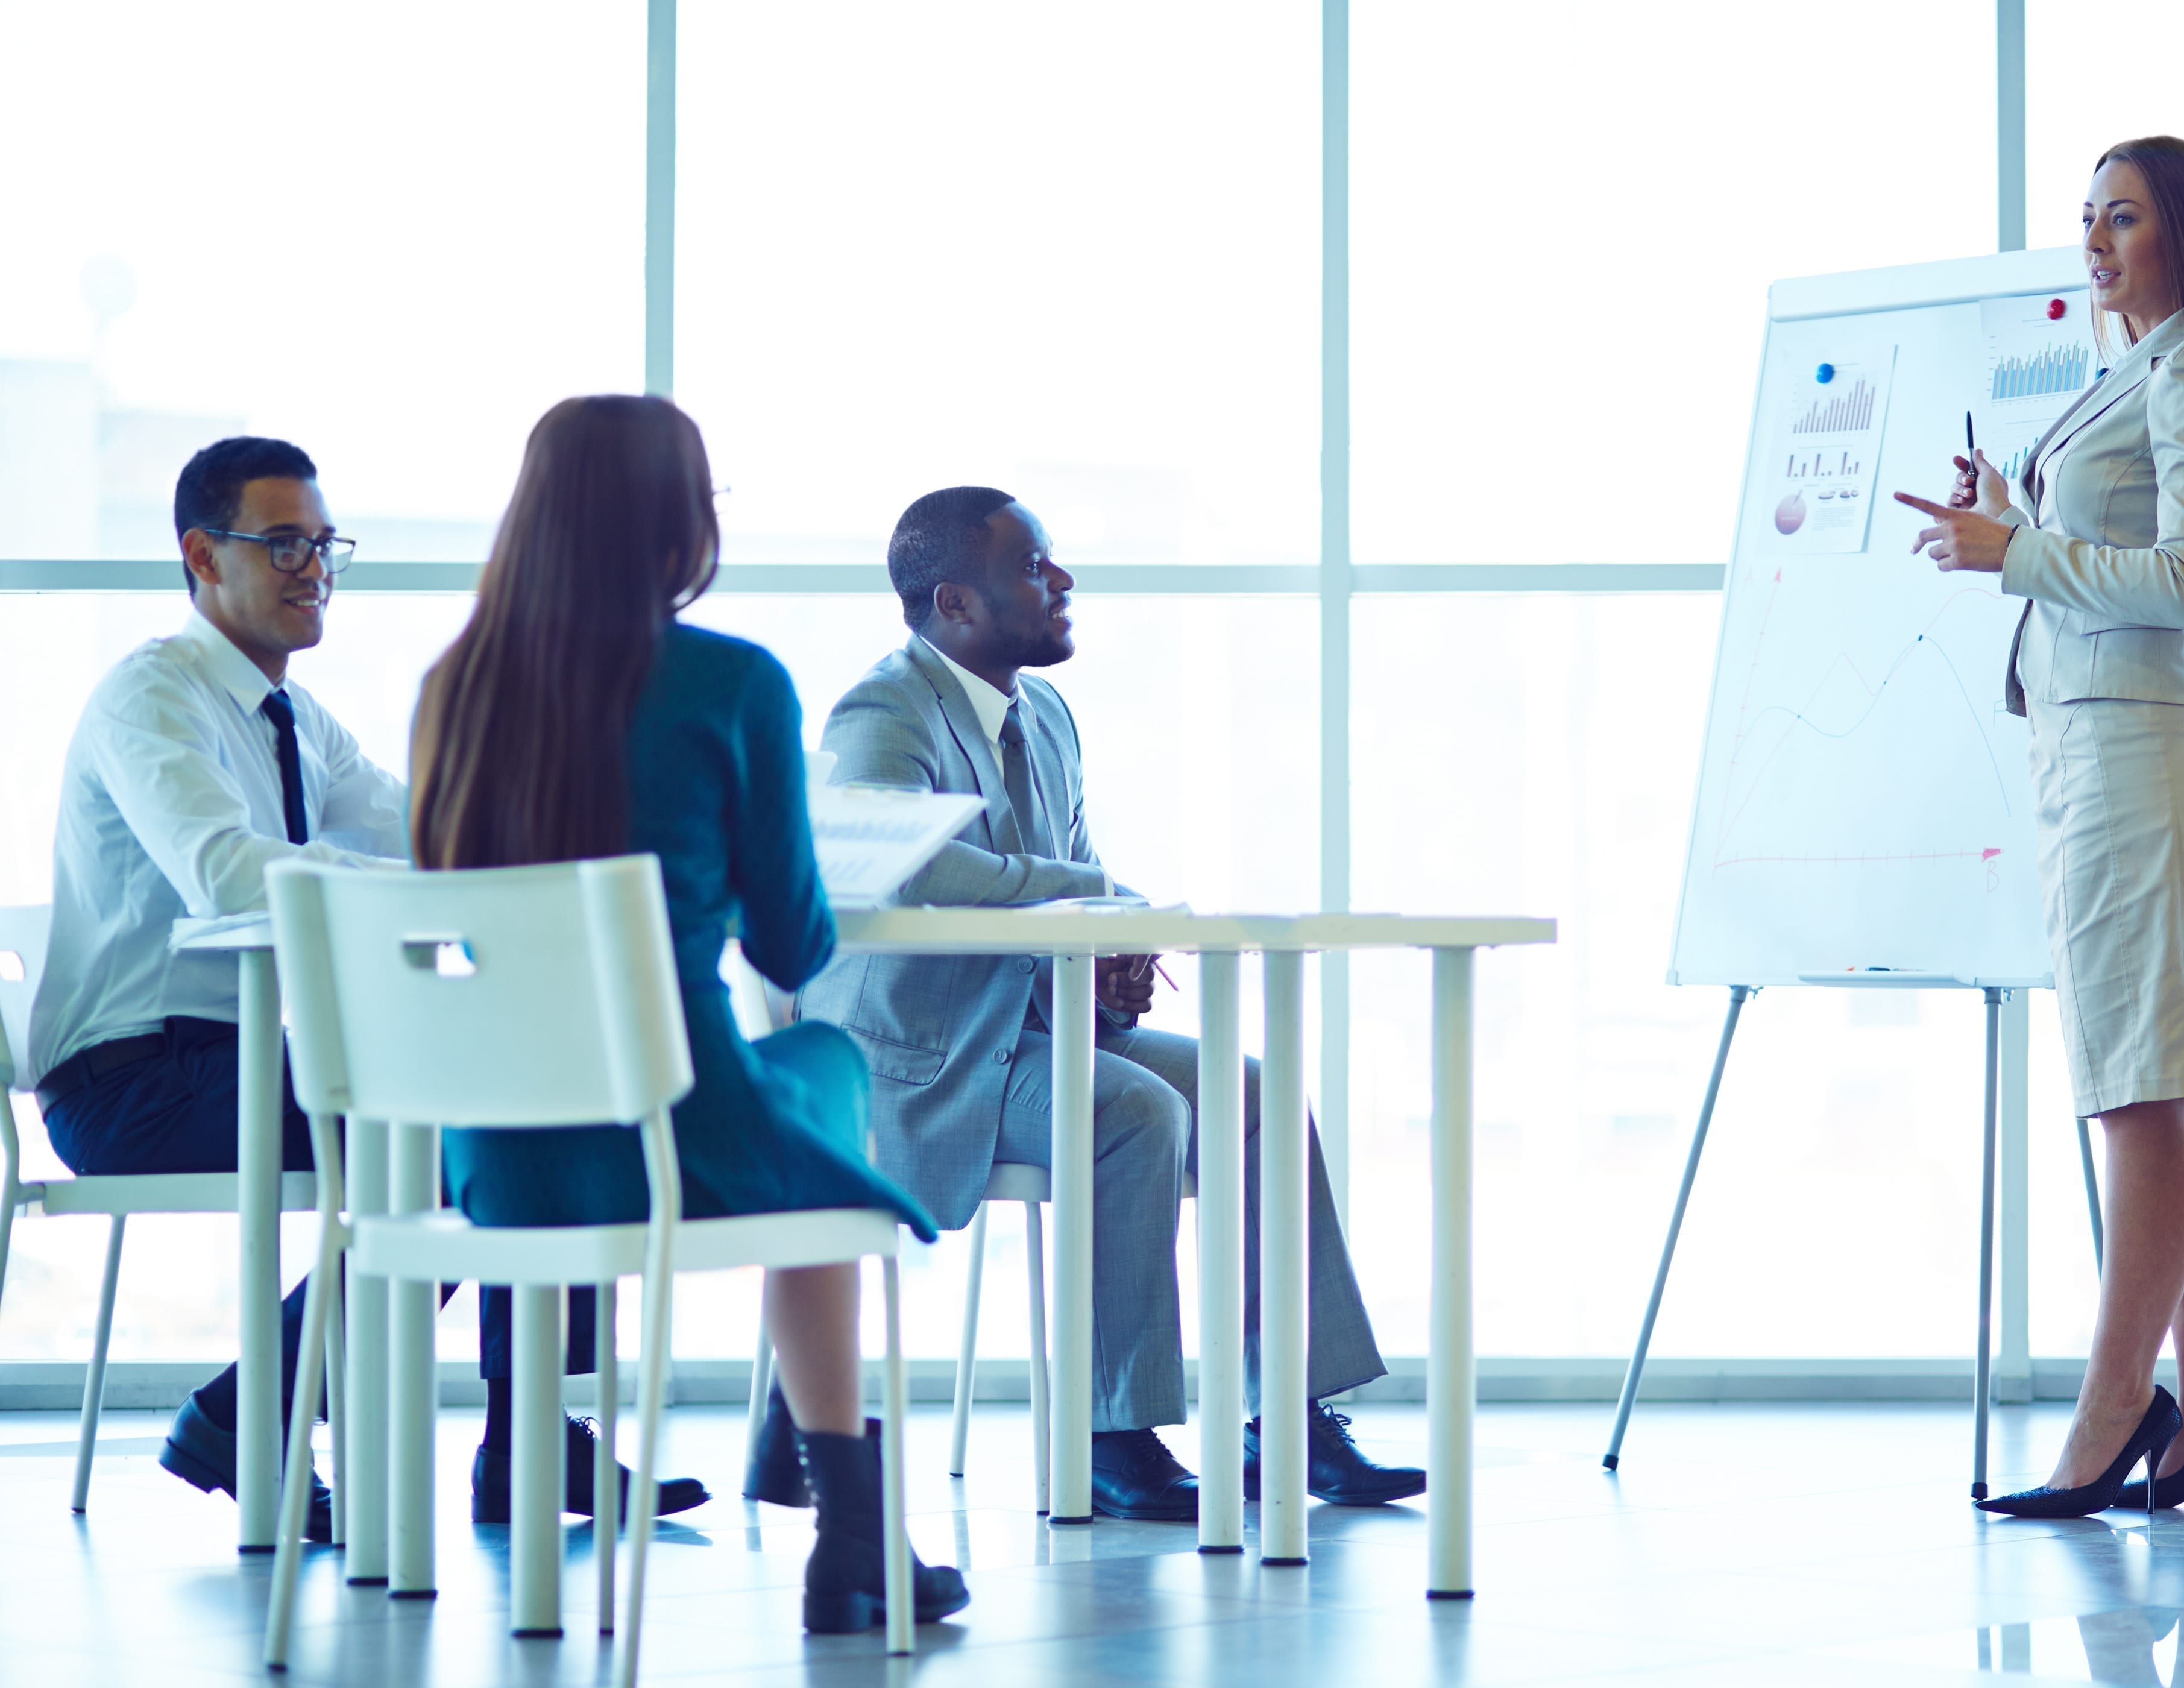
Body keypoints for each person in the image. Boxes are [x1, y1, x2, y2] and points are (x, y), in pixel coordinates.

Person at [27, 435, 705, 1543]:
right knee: (473, 1117)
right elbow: (231, 874)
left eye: (323, 543)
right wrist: (429, 882)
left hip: (247, 1060)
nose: (314, 568)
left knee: (525, 1094)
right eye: (281, 543)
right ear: (202, 556)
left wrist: (559, 848)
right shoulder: (150, 699)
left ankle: (525, 1436)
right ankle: (259, 1416)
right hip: (132, 1085)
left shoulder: (295, 718)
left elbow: (424, 822)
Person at [412, 394, 966, 1633]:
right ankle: (853, 1524)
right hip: (669, 1122)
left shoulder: (453, 686)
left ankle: (851, 1520)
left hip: (499, 1153)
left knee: (807, 1117)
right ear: (683, 521)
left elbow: (453, 907)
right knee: (824, 1074)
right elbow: (792, 940)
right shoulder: (731, 682)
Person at [790, 486, 1422, 1521]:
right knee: (1135, 1112)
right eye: (1036, 566)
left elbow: (1070, 868)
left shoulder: (1044, 714)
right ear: (955, 601)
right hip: (925, 1057)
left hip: (1032, 1026)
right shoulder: (884, 711)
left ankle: (1293, 1418)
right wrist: (1086, 902)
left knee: (1256, 1096)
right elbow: (915, 875)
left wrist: (1118, 943)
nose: (1064, 581)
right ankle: (1111, 1437)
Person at [1894, 136, 2184, 1517]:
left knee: (2138, 1093)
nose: (2096, 239)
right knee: (2160, 1082)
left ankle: (2116, 1408)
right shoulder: (2137, 370)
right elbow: (2094, 556)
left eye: (2123, 216)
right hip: (2102, 751)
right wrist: (2013, 521)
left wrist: (2025, 551)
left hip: (2146, 750)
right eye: (2088, 216)